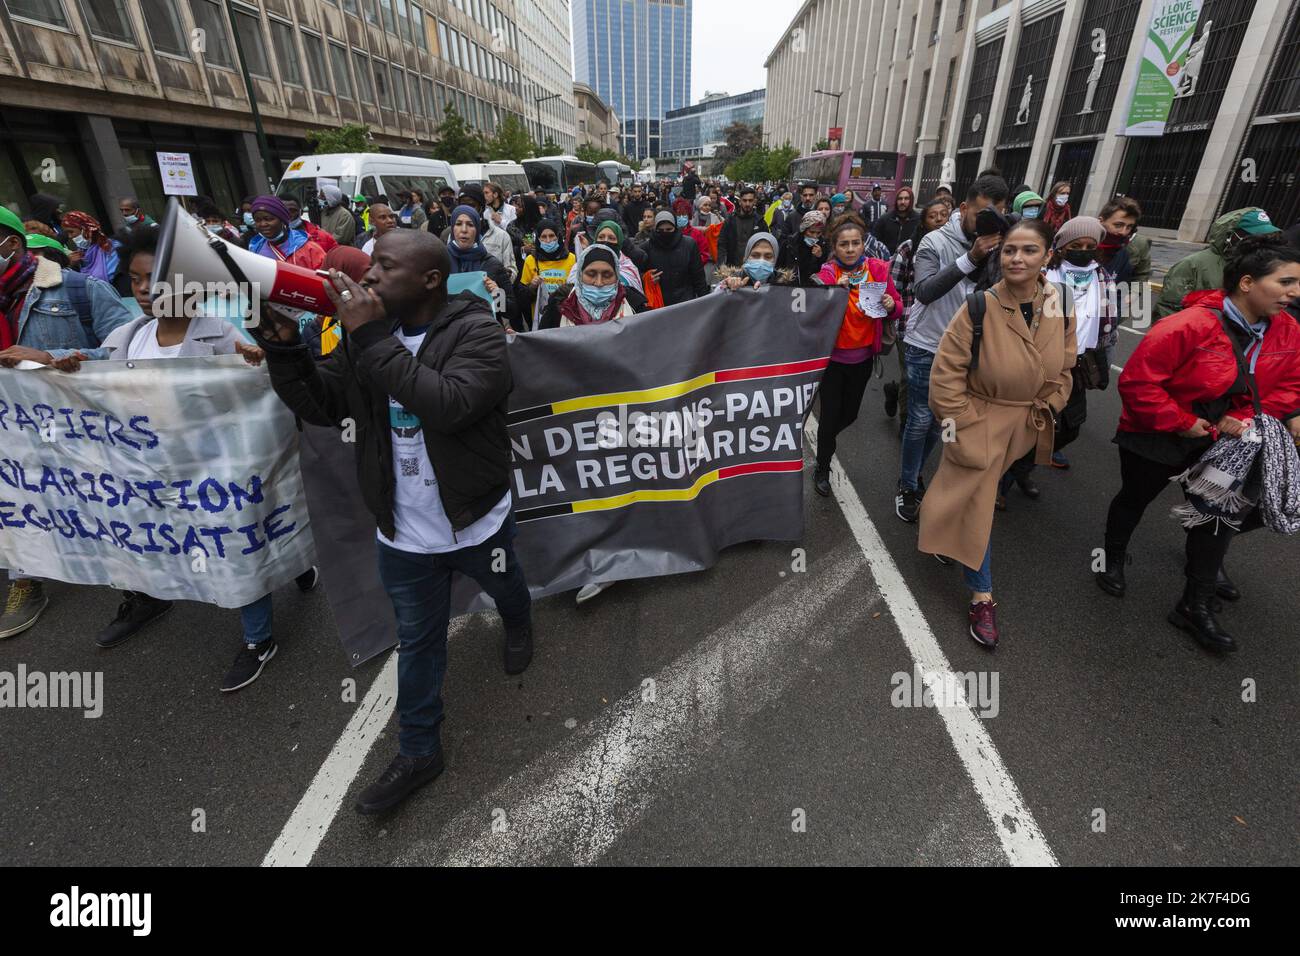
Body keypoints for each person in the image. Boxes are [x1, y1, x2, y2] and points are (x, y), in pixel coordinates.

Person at [255, 228, 534, 813]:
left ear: (431, 280)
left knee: (505, 584)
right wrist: (286, 349)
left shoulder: (476, 331)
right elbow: (324, 405)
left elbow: (450, 403)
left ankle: (518, 621)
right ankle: (419, 751)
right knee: (418, 641)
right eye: (370, 264)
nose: (370, 276)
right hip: (403, 533)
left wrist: (372, 337)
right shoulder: (364, 339)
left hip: (474, 520)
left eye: (385, 266)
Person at [1097, 237, 1300, 653]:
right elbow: (1138, 383)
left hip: (1224, 443)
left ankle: (1194, 603)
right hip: (1158, 433)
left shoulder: (1289, 331)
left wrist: (1243, 419)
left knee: (1215, 515)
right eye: (1286, 282)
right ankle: (1113, 558)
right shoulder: (1187, 325)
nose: (1294, 292)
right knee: (1135, 498)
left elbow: (1287, 386)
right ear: (1247, 282)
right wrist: (1183, 420)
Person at [917, 218, 1076, 648]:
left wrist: (1053, 402)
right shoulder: (979, 306)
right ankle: (982, 594)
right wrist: (962, 426)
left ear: (1047, 256)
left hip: (1025, 425)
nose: (1016, 258)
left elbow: (1066, 363)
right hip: (978, 421)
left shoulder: (1059, 300)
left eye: (1028, 250)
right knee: (980, 504)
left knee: (968, 494)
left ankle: (946, 530)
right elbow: (945, 376)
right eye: (1009, 250)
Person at [0, 204, 135, 639]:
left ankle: (140, 586)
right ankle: (25, 579)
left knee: (103, 508)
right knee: (15, 498)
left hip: (77, 430)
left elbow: (130, 352)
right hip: (12, 431)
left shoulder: (78, 288)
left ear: (12, 243)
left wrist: (51, 359)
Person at [895, 174, 1009, 523]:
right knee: (919, 418)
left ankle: (915, 474)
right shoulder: (934, 241)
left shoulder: (998, 243)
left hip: (964, 349)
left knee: (938, 423)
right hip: (926, 344)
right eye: (982, 214)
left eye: (997, 215)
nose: (989, 223)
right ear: (963, 208)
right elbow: (926, 291)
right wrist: (971, 258)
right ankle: (907, 485)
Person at [809, 215, 901, 495]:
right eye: (844, 244)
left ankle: (826, 441)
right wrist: (834, 291)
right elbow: (814, 310)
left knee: (850, 415)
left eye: (856, 243)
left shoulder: (878, 269)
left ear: (864, 244)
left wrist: (889, 303)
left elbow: (897, 306)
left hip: (862, 360)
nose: (850, 249)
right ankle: (822, 467)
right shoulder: (827, 274)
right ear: (834, 247)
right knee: (829, 417)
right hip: (833, 361)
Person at [1037, 217, 1115, 475]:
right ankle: (1014, 473)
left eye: (1089, 245)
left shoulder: (1101, 277)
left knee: (1072, 426)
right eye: (1076, 245)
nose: (1083, 251)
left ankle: (1031, 459)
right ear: (1061, 246)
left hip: (1078, 362)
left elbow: (1108, 322)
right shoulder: (1045, 274)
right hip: (1042, 360)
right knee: (1031, 419)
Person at [884, 199, 950, 430]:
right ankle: (907, 423)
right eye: (933, 215)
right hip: (909, 322)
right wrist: (898, 312)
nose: (940, 219)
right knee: (910, 376)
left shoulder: (958, 248)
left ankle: (894, 393)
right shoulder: (908, 248)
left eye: (944, 214)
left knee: (933, 378)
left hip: (943, 324)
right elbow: (893, 286)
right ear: (923, 221)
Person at [1155, 208, 1280, 319]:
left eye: (1264, 237)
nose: (1259, 242)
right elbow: (1168, 309)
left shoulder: (1262, 267)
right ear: (1230, 235)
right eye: (1253, 236)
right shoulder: (1192, 265)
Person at [540, 242, 645, 330]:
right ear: (580, 276)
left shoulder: (634, 306)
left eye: (607, 275)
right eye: (591, 274)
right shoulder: (559, 306)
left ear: (617, 277)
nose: (598, 283)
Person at [446, 205, 516, 329]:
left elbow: (511, 311)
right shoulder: (440, 262)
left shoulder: (492, 264)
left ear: (477, 229)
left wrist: (497, 294)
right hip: (449, 336)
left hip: (484, 335)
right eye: (458, 224)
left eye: (470, 224)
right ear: (452, 227)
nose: (464, 230)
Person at [447, 185, 517, 281]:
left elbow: (511, 272)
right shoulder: (454, 236)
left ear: (481, 208)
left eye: (472, 206)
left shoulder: (501, 236)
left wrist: (499, 277)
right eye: (462, 206)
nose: (467, 210)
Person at [519, 219, 576, 330]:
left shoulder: (571, 259)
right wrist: (532, 286)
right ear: (538, 239)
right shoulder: (531, 260)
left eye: (551, 235)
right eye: (543, 237)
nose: (548, 240)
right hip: (540, 318)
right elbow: (522, 297)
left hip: (566, 317)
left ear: (558, 237)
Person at [643, 211, 709, 306]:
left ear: (675, 228)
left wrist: (705, 303)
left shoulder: (689, 245)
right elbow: (636, 275)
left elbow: (698, 276)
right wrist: (647, 278)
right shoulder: (646, 248)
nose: (665, 233)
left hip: (685, 301)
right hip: (659, 303)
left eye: (669, 229)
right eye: (661, 230)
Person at [247, 196, 326, 270]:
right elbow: (250, 279)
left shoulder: (308, 248)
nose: (263, 224)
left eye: (269, 219)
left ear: (282, 220)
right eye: (258, 220)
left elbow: (324, 278)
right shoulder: (255, 248)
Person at [1095, 195, 1152, 287]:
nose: (1123, 232)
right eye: (1118, 225)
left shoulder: (1137, 245)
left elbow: (1142, 275)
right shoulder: (1086, 242)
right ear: (1101, 221)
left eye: (1129, 227)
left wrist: (1135, 294)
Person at [715, 232, 795, 291]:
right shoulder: (732, 278)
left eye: (768, 256)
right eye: (755, 255)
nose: (761, 261)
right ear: (746, 257)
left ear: (775, 259)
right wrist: (728, 287)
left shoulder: (785, 285)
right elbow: (713, 303)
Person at [60, 211, 120, 283]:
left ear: (86, 229)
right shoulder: (81, 253)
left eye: (71, 232)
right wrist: (70, 265)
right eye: (67, 233)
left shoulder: (112, 248)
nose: (69, 237)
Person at [779, 209, 830, 286]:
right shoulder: (789, 244)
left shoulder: (823, 245)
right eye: (811, 232)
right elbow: (779, 267)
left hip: (813, 291)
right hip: (790, 289)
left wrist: (820, 257)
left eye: (818, 233)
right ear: (804, 230)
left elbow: (826, 273)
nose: (815, 236)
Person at [718, 187, 766, 268]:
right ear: (740, 201)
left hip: (754, 268)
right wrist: (722, 263)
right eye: (744, 200)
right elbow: (722, 243)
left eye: (750, 200)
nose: (747, 204)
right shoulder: (730, 221)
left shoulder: (761, 222)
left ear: (754, 201)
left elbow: (765, 245)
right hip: (732, 267)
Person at [873, 187, 918, 256]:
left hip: (909, 263)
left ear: (911, 200)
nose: (902, 202)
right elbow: (875, 241)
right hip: (887, 261)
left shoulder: (918, 220)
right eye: (900, 199)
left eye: (906, 198)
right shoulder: (884, 219)